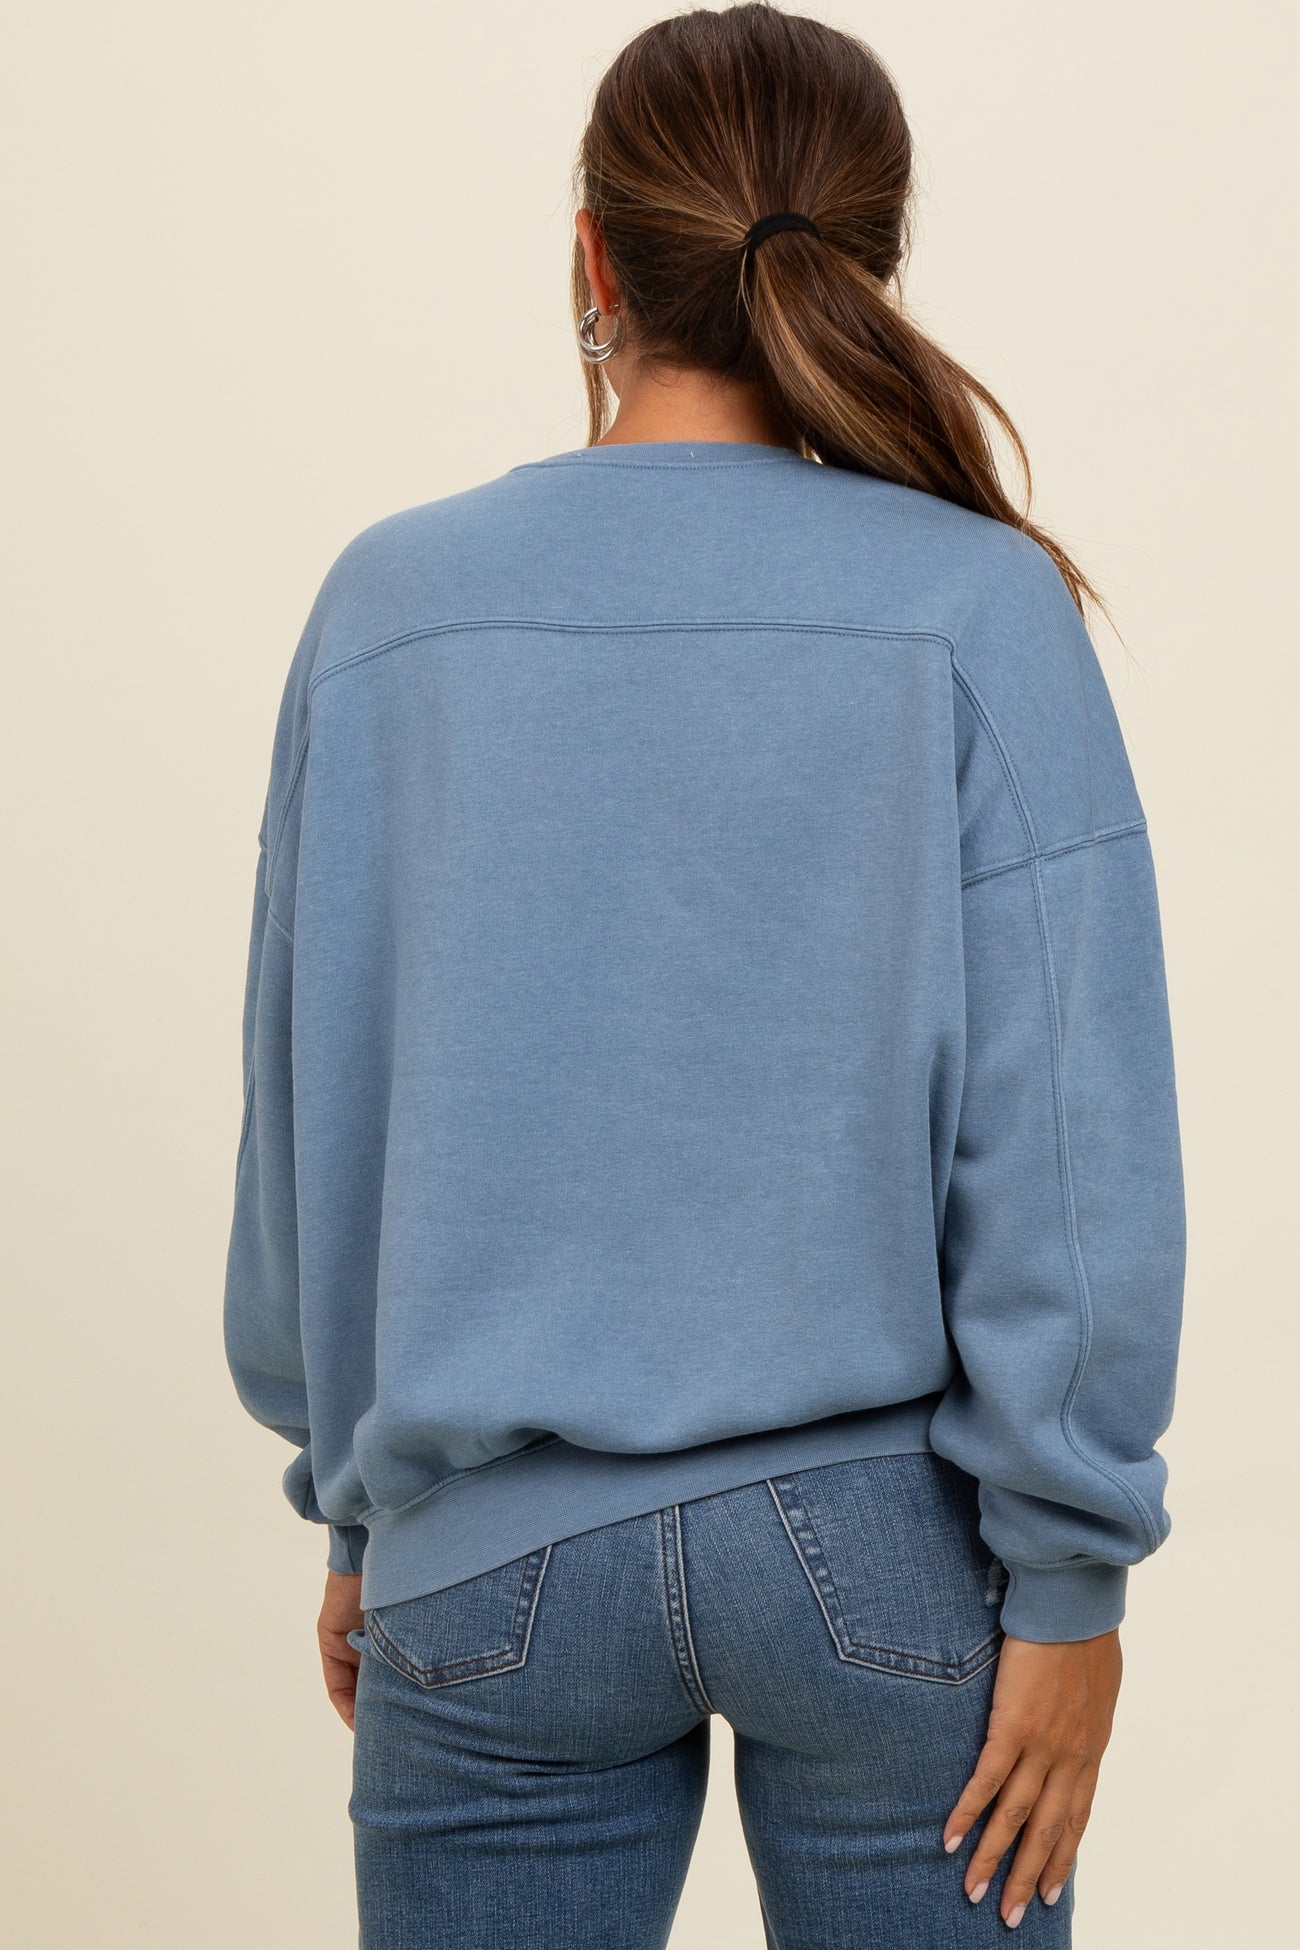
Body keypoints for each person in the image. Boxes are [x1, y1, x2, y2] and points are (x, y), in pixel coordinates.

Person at [222, 5, 1185, 1944]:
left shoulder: (387, 607)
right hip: (890, 1559)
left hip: (483, 1561)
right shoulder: (976, 606)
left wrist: (357, 1496)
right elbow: (1066, 1149)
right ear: (865, 268)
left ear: (592, 255)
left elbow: (315, 1094)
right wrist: (1070, 1576)